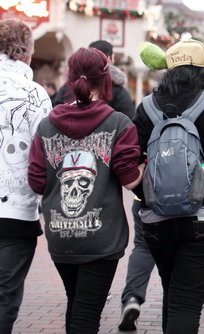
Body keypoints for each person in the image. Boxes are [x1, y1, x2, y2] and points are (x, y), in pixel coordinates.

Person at [133, 32, 204, 333]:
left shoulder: (146, 106)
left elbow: (130, 159)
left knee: (173, 290)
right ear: (203, 69)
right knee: (186, 297)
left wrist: (144, 196)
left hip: (156, 216)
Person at [27, 47, 144, 334]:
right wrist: (145, 163)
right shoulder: (119, 124)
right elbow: (130, 180)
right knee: (87, 313)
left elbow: (37, 182)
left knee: (76, 303)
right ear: (106, 81)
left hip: (60, 234)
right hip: (102, 238)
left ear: (69, 78)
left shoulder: (46, 126)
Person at [0, 19, 52, 333]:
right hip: (16, 212)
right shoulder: (35, 94)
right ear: (26, 54)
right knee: (6, 294)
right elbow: (45, 152)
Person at [53, 40, 135, 119]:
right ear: (109, 59)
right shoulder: (119, 92)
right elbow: (127, 120)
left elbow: (55, 113)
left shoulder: (67, 88)